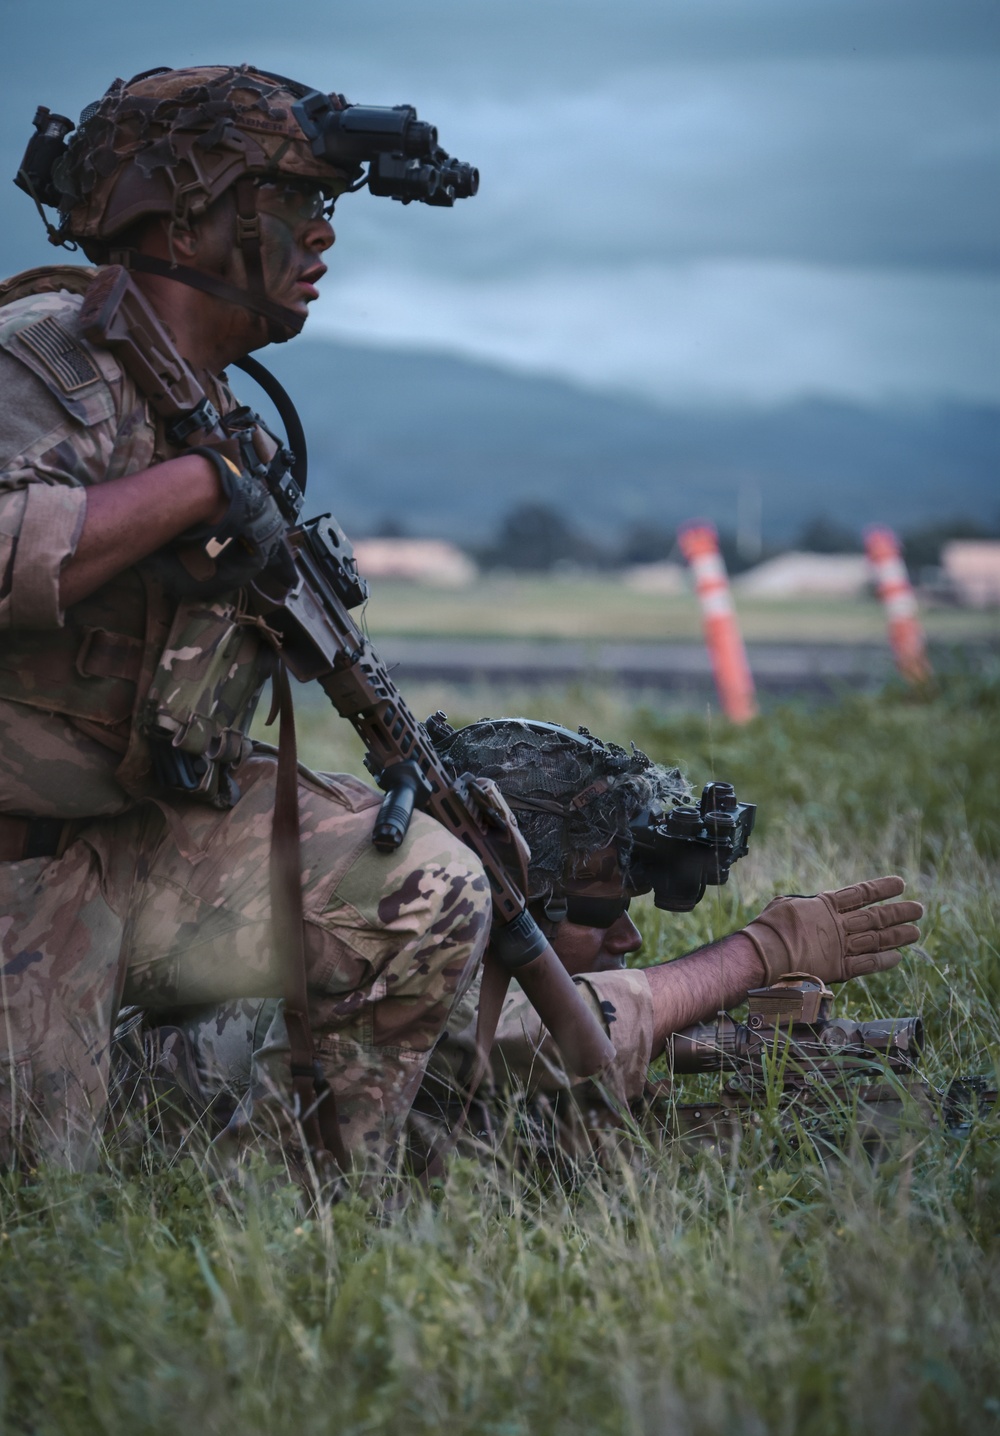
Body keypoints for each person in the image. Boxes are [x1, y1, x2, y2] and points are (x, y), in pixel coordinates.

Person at [0, 65, 491, 1173]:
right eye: (292, 203)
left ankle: (287, 1214)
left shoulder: (218, 413)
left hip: (138, 843)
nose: (322, 235)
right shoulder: (44, 356)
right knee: (42, 1196)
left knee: (423, 884)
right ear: (185, 220)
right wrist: (196, 490)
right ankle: (127, 1071)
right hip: (20, 869)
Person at [116, 717, 925, 1172]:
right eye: (602, 910)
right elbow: (567, 1037)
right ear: (518, 902)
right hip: (121, 1126)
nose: (630, 935)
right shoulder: (406, 917)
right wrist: (761, 951)